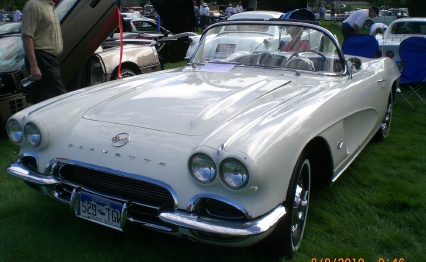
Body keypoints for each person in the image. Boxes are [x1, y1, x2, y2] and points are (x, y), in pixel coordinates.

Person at [21, 0, 66, 105]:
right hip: (41, 58)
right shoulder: (33, 5)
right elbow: (26, 36)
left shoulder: (49, 6)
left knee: (39, 100)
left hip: (49, 58)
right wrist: (34, 65)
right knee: (60, 98)